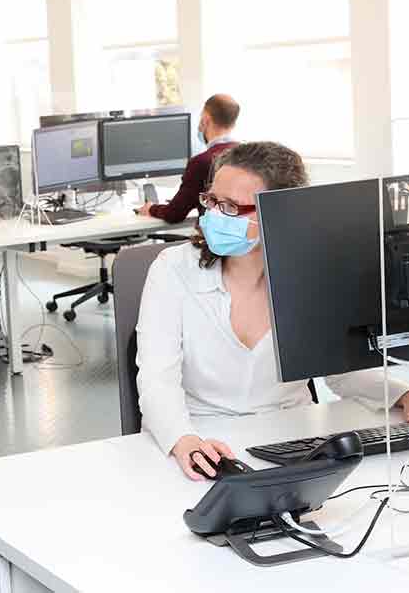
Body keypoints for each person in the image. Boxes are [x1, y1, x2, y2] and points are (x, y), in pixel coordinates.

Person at [136, 141, 409, 480]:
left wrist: (400, 394)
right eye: (212, 201)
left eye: (233, 207)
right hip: (202, 436)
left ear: (279, 215)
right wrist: (182, 439)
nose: (215, 215)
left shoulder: (313, 273)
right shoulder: (172, 270)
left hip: (293, 437)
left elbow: (339, 369)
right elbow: (156, 378)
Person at [137, 93, 239, 223]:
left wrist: (151, 208)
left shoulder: (201, 162)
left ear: (205, 120)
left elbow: (174, 214)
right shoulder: (248, 155)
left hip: (212, 240)